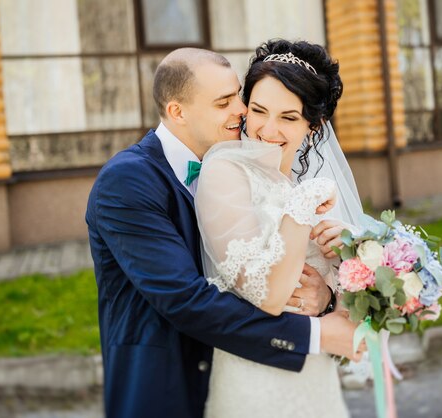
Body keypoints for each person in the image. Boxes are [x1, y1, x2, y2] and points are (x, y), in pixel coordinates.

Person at [85, 47, 361, 418]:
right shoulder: (128, 181)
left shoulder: (258, 168)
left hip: (252, 373)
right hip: (167, 387)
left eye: (239, 96)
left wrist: (326, 299)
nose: (242, 111)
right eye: (224, 102)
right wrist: (315, 335)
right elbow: (186, 298)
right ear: (177, 112)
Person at [196, 39, 364, 418]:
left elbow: (348, 317)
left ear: (313, 125)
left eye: (288, 118)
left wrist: (332, 291)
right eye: (258, 111)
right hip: (256, 383)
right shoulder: (224, 171)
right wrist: (302, 210)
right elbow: (268, 295)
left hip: (314, 377)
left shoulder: (298, 189)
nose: (267, 130)